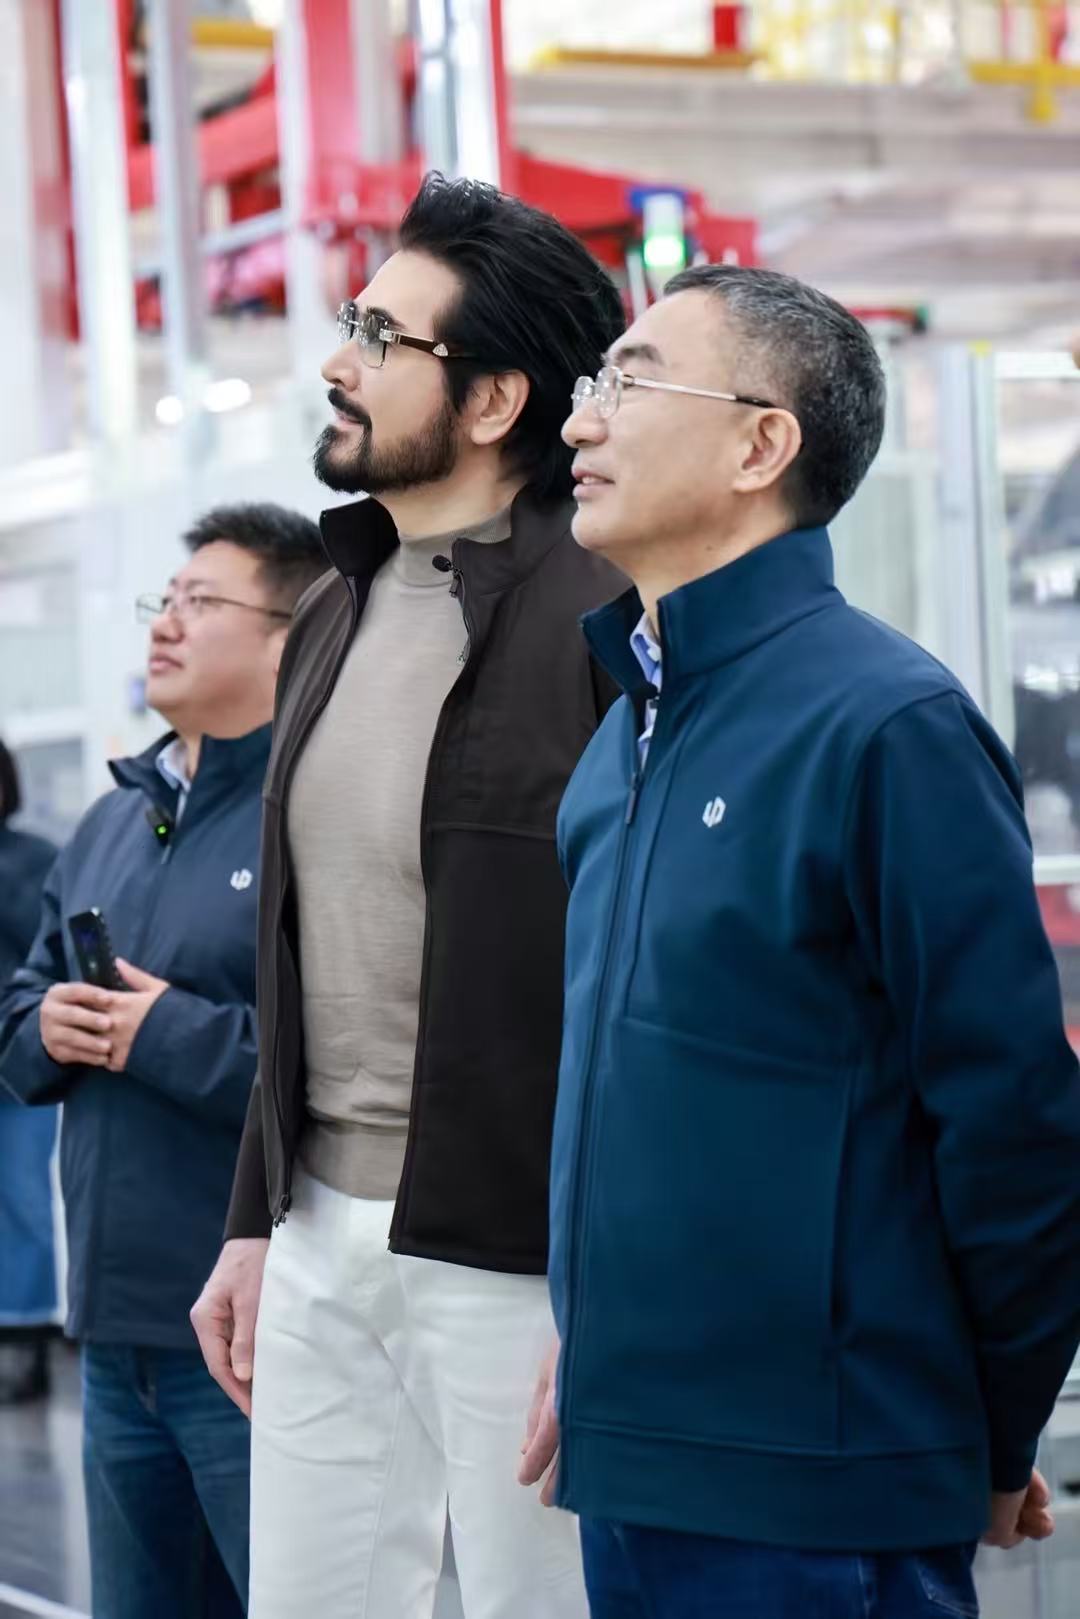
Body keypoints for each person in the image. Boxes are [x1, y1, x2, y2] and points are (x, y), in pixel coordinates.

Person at [519, 265, 1080, 1618]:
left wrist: (984, 1432)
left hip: (818, 1483)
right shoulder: (623, 740)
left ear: (761, 443)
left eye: (631, 380)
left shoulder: (884, 724)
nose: (581, 421)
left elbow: (1015, 1127)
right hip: (637, 1457)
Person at [190, 173, 625, 1619]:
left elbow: (641, 972)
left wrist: (607, 1275)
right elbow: (295, 949)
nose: (340, 359)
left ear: (494, 400)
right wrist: (257, 1218)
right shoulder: (335, 602)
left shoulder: (607, 617)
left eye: (383, 336)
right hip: (320, 1228)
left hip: (518, 1254)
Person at [0, 505, 325, 1619]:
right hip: (114, 1331)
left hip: (256, 1335)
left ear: (288, 640)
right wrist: (45, 1026)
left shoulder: (313, 816)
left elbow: (350, 1061)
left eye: (202, 602)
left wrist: (165, 1032)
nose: (166, 624)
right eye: (164, 600)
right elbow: (21, 1004)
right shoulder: (111, 820)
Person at [0, 739, 58, 1404]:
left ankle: (25, 1339)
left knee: (21, 1201)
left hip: (18, 1072)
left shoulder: (32, 861)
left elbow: (47, 961)